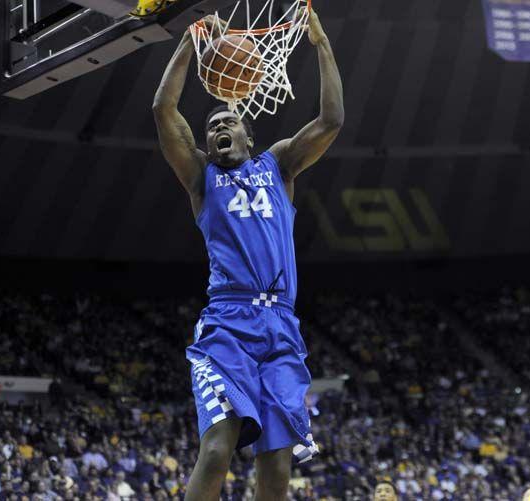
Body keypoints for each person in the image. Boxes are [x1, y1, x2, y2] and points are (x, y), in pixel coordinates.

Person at [152, 7, 343, 501]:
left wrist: (321, 44)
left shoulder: (278, 165)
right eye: (212, 123)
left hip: (280, 325)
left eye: (229, 119)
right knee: (217, 451)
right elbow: (163, 111)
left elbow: (332, 119)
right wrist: (189, 44)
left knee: (277, 468)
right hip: (228, 325)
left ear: (247, 135)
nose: (219, 125)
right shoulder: (201, 178)